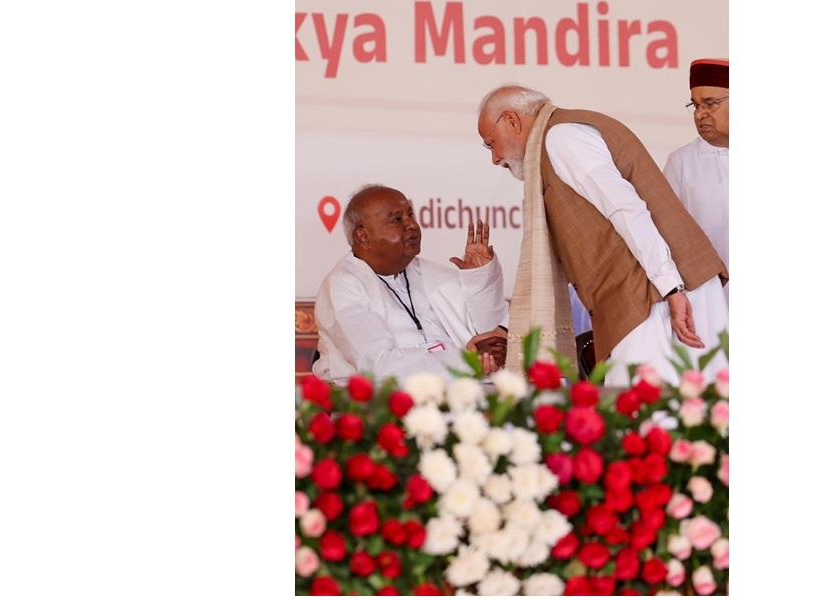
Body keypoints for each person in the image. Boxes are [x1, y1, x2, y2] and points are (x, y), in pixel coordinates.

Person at [474, 85, 727, 386]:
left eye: (491, 144)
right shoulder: (558, 138)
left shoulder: (561, 137)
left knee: (652, 407)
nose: (495, 158)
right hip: (654, 292)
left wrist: (671, 288)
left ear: (512, 121)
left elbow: (625, 208)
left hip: (660, 294)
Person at [311, 184, 509, 383]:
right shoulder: (344, 285)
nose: (412, 225)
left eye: (411, 215)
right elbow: (380, 367)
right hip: (382, 398)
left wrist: (479, 279)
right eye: (397, 220)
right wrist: (467, 360)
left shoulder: (430, 273)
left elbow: (490, 334)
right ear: (363, 237)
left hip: (457, 388)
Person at [663, 59, 729, 288]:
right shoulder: (681, 162)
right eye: (696, 105)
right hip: (711, 296)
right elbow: (666, 235)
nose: (700, 114)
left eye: (710, 104)